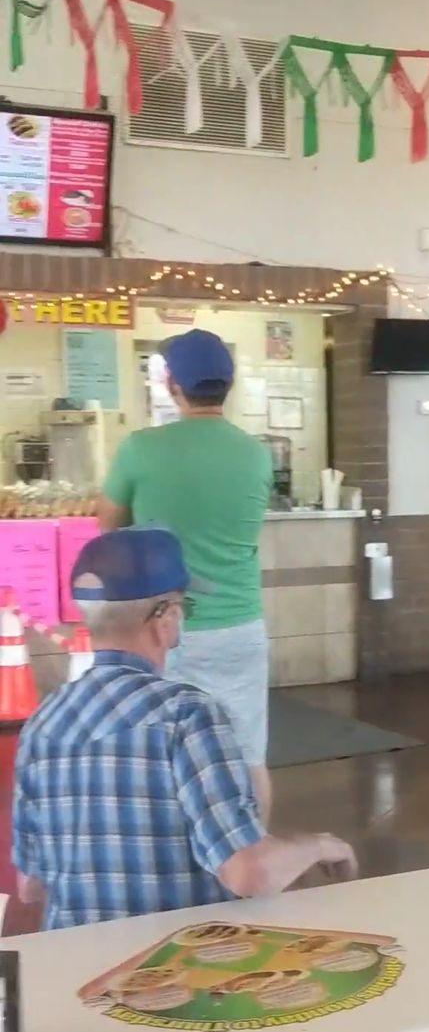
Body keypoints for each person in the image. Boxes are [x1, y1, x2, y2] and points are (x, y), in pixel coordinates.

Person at [12, 527, 357, 1032]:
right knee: (286, 946)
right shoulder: (186, 715)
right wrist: (319, 844)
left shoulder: (43, 724)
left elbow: (29, 883)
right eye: (181, 610)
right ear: (163, 618)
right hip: (183, 991)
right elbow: (247, 871)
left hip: (82, 986)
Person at [98, 328, 274, 823]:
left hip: (162, 629)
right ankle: (251, 857)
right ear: (228, 384)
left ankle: (176, 867)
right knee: (248, 757)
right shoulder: (255, 454)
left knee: (164, 756)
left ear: (172, 383)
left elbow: (107, 529)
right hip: (241, 628)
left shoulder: (140, 448)